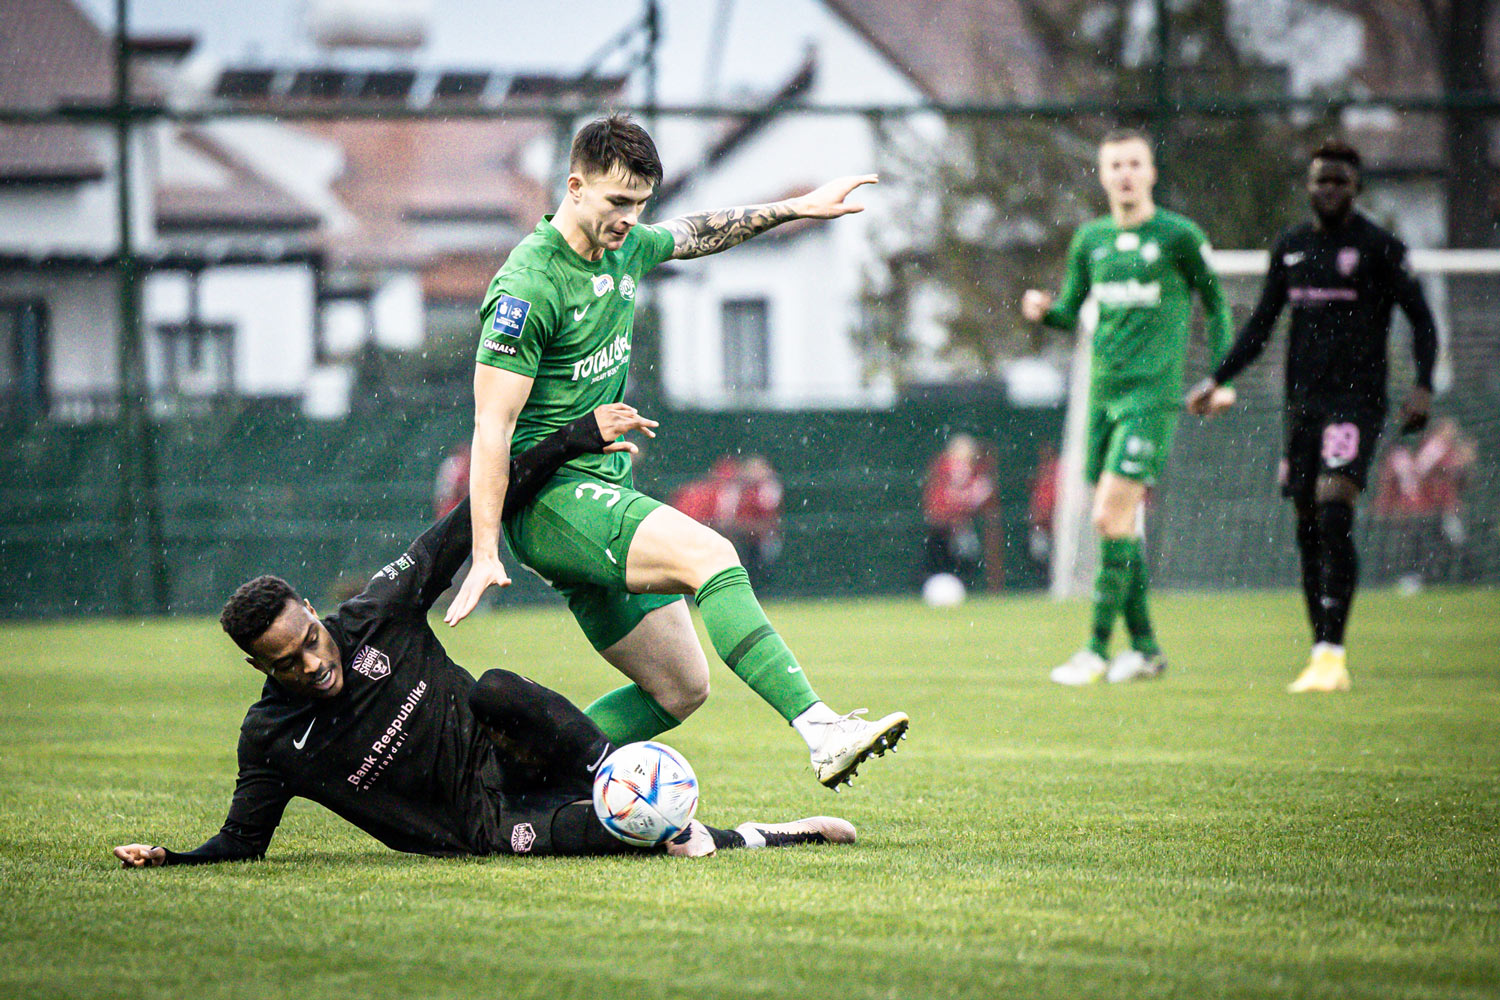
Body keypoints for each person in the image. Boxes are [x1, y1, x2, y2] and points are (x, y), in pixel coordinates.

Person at [111, 404, 856, 867]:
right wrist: (171, 858)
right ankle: (762, 836)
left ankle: (615, 778)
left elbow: (474, 511)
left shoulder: (376, 613)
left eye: (311, 638)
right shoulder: (271, 737)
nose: (315, 662)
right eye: (289, 661)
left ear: (313, 610)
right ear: (257, 666)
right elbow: (243, 843)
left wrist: (572, 438)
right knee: (606, 840)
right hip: (487, 824)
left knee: (498, 688)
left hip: (516, 753)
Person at [443, 113, 907, 789]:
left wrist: (798, 208)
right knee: (713, 556)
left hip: (603, 489)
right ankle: (821, 730)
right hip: (550, 504)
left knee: (680, 689)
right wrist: (484, 551)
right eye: (616, 202)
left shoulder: (624, 245)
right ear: (574, 187)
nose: (630, 218)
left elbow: (696, 232)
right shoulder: (527, 286)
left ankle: (506, 782)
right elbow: (493, 426)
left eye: (639, 204)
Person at [1187, 137, 1439, 693]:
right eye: (1321, 180)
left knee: (1332, 511)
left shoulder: (1380, 248)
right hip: (1302, 406)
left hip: (1357, 402)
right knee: (1305, 527)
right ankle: (1319, 651)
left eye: (1340, 181)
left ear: (1357, 187)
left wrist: (1422, 385)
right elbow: (1260, 326)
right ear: (1308, 186)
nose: (1329, 189)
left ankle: (1333, 651)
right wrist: (1215, 378)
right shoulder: (1291, 248)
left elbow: (1421, 320)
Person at [1022, 127, 1236, 686]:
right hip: (1103, 399)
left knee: (1106, 517)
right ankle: (1144, 649)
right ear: (1103, 174)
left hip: (1152, 399)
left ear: (1151, 172)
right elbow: (1071, 311)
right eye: (1114, 164)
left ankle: (1095, 649)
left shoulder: (1177, 236)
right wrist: (1046, 311)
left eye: (1134, 163)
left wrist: (1222, 376)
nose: (1125, 174)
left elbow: (1215, 304)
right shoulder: (1089, 240)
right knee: (1120, 525)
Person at [921, 434, 995, 589]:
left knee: (961, 563)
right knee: (943, 564)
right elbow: (944, 499)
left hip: (957, 526)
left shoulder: (970, 470)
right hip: (945, 527)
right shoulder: (948, 468)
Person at [721, 454, 784, 588]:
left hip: (762, 537)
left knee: (764, 558)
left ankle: (766, 589)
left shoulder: (768, 487)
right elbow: (727, 515)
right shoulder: (736, 488)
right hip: (741, 535)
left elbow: (769, 514)